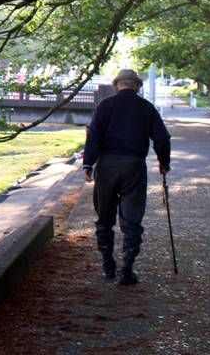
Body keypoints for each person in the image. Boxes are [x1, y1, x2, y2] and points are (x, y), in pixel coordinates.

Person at [82, 68, 171, 285]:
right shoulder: (146, 108)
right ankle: (126, 270)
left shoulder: (105, 106)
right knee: (132, 220)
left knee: (104, 218)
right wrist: (163, 162)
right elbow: (162, 138)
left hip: (107, 166)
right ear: (137, 86)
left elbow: (93, 137)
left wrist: (88, 164)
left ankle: (108, 267)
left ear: (116, 85)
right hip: (134, 166)